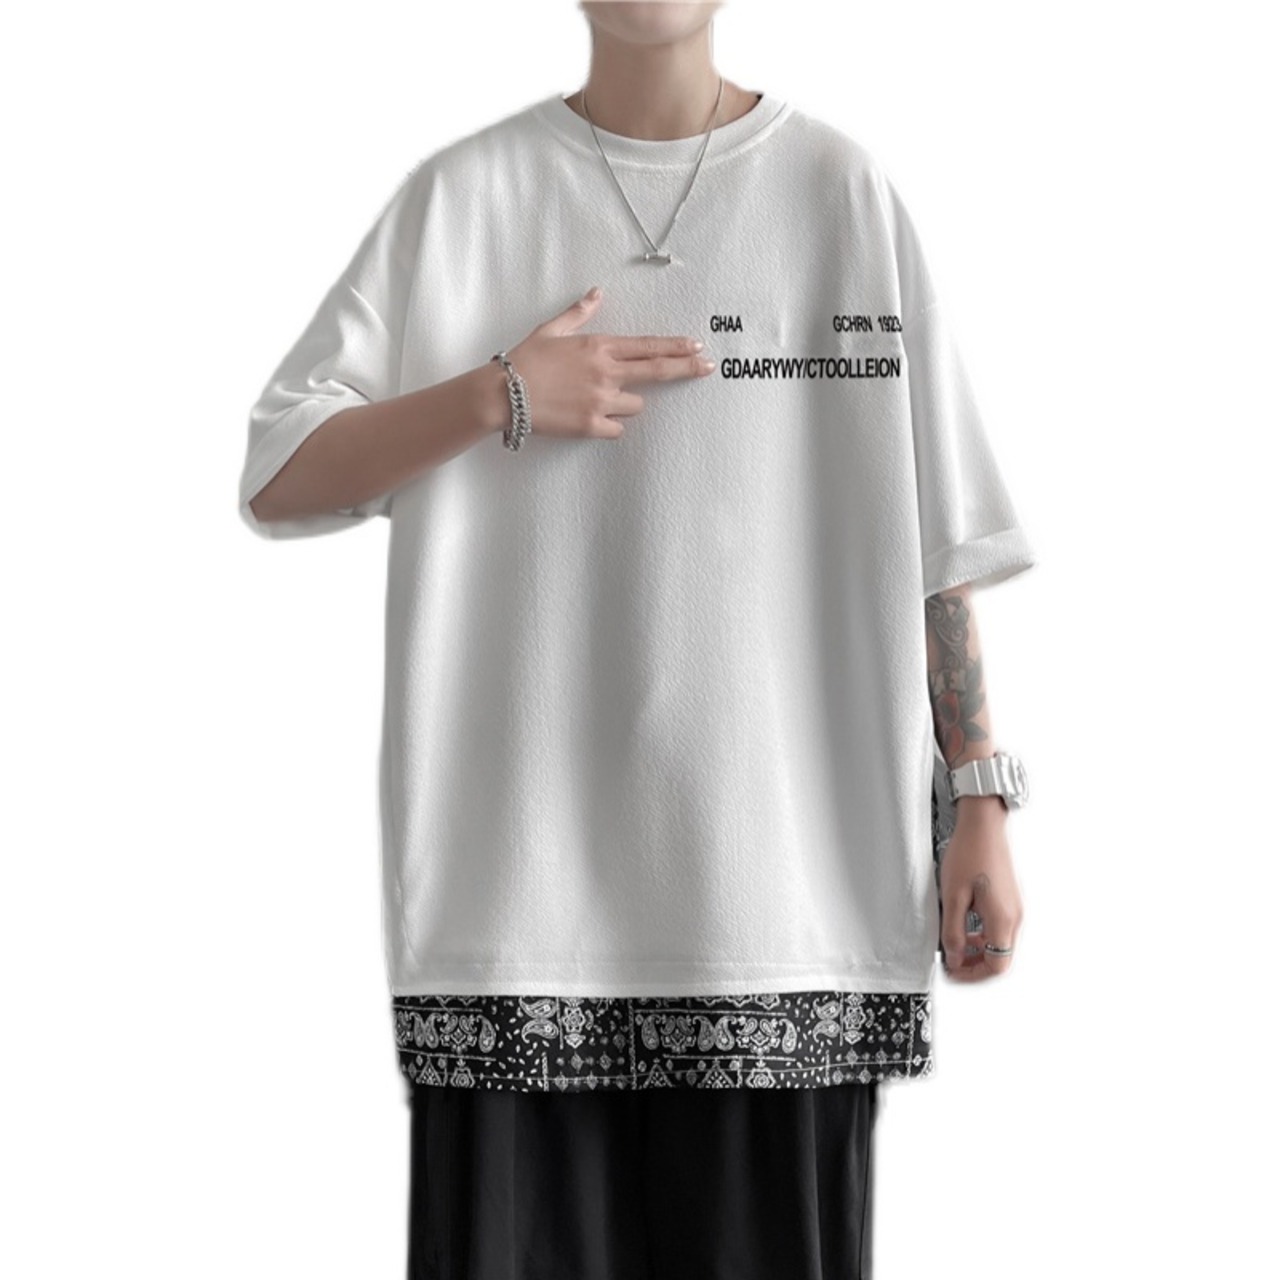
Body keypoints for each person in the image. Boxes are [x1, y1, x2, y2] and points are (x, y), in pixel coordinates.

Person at [237, 3, 1037, 1276]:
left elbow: (928, 532)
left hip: (784, 914)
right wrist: (497, 393)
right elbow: (279, 471)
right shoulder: (463, 200)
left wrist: (977, 798)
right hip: (514, 923)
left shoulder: (839, 194)